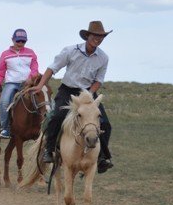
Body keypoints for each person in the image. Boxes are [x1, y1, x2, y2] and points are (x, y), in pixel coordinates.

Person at [29, 21, 114, 173]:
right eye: (95, 35)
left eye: (101, 36)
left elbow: (98, 80)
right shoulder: (71, 51)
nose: (98, 39)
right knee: (56, 117)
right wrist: (41, 85)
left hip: (87, 93)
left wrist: (90, 95)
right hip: (67, 91)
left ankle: (101, 157)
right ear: (88, 35)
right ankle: (49, 150)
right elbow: (52, 68)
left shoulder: (103, 58)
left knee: (105, 123)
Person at [0, 29, 39, 139]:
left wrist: (31, 78)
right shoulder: (5, 55)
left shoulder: (31, 53)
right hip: (11, 83)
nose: (20, 43)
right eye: (18, 41)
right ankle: (5, 129)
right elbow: (0, 73)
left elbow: (34, 69)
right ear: (12, 40)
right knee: (4, 101)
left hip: (27, 83)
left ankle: (43, 125)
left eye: (23, 41)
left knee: (44, 98)